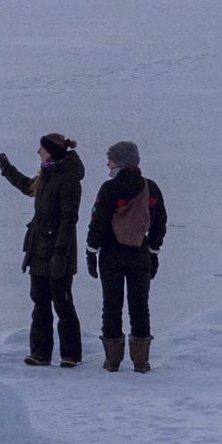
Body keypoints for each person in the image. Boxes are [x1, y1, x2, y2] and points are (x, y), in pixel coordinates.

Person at [0, 134, 85, 367]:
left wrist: (61, 253)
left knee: (63, 304)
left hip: (59, 253)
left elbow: (69, 219)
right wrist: (7, 169)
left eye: (41, 149)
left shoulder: (68, 179)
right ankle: (40, 353)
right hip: (38, 250)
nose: (38, 152)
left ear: (51, 151)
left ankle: (71, 355)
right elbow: (28, 187)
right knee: (40, 303)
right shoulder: (47, 173)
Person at [86, 139, 166, 372]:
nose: (107, 164)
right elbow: (159, 222)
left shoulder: (109, 188)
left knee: (111, 305)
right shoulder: (150, 187)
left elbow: (98, 222)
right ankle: (141, 361)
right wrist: (153, 251)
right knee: (140, 305)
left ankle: (113, 361)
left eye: (110, 159)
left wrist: (91, 251)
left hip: (111, 254)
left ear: (119, 162)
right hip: (140, 253)